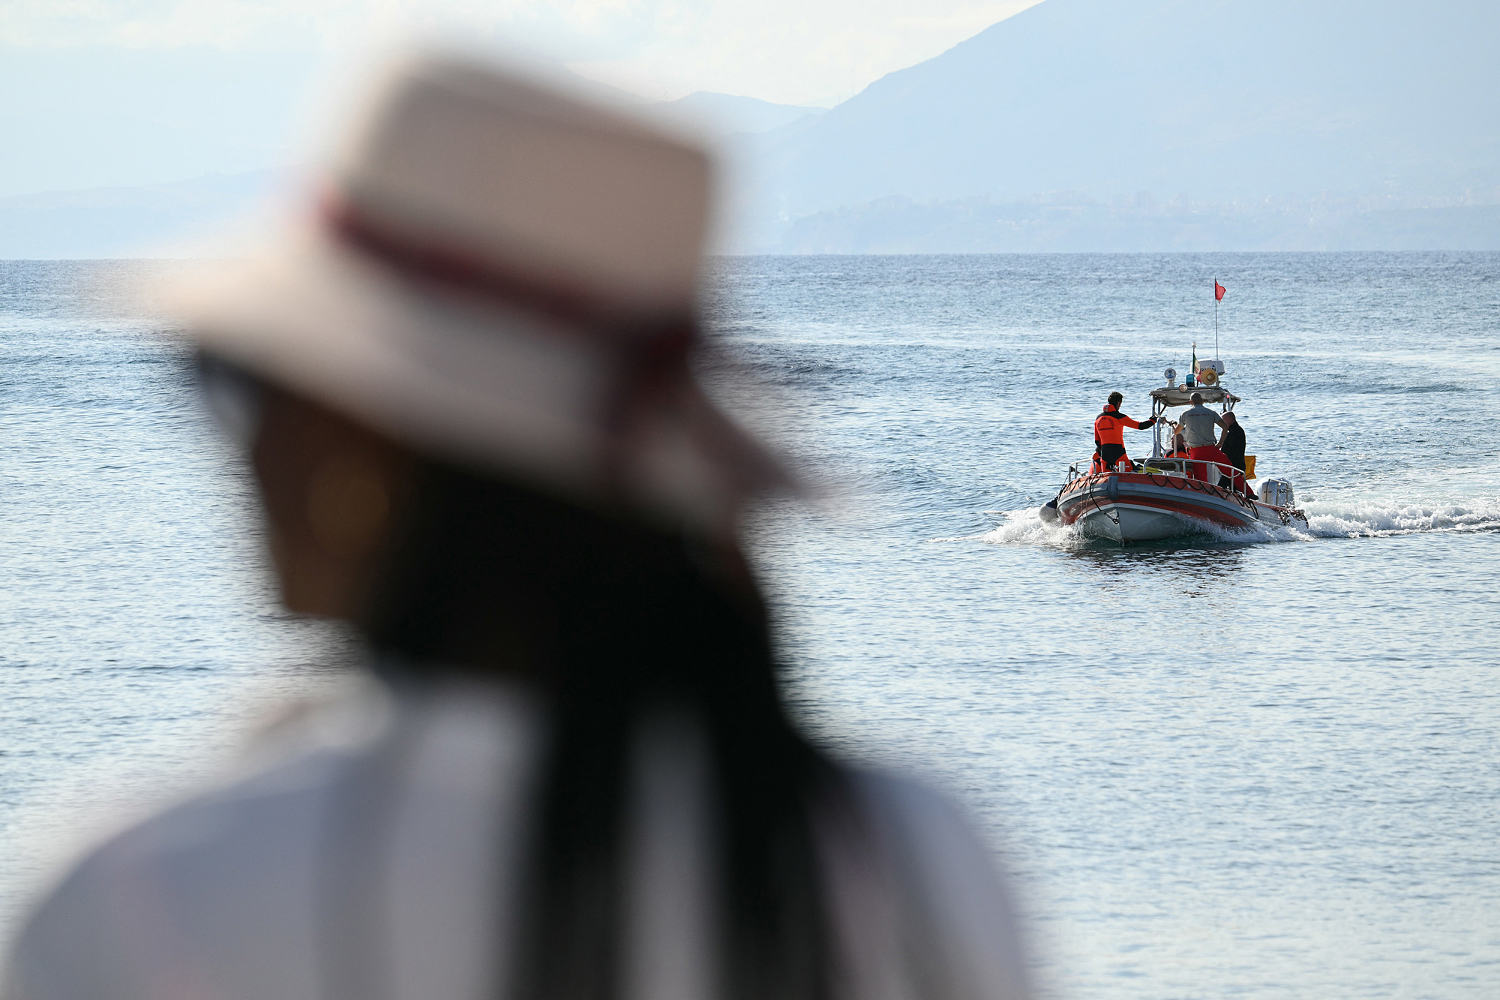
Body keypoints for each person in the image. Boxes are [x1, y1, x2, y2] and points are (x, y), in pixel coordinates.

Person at [3, 51, 1031, 1000]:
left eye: (237, 377)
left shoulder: (148, 896)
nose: (238, 439)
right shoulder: (918, 863)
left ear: (356, 445)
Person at [1091, 390, 1156, 473]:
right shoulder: (1119, 417)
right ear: (1118, 403)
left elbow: (1097, 441)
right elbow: (1140, 426)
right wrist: (1153, 420)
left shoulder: (1098, 419)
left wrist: (1104, 454)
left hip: (1105, 453)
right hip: (1118, 452)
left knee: (1105, 476)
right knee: (1129, 473)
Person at [1178, 391, 1229, 486]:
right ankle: (1249, 492)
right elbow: (1225, 428)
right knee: (1230, 470)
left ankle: (1202, 493)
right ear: (1202, 401)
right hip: (1211, 448)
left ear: (1190, 402)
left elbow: (1177, 431)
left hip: (1196, 450)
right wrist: (1220, 443)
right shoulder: (1211, 413)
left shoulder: (1185, 414)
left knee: (1200, 478)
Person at [1218, 411, 1250, 496]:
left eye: (1223, 420)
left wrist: (1218, 453)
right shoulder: (1235, 430)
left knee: (1222, 487)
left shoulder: (1234, 432)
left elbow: (1228, 449)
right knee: (1232, 488)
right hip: (1234, 464)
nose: (1221, 423)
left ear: (1229, 420)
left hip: (1234, 465)